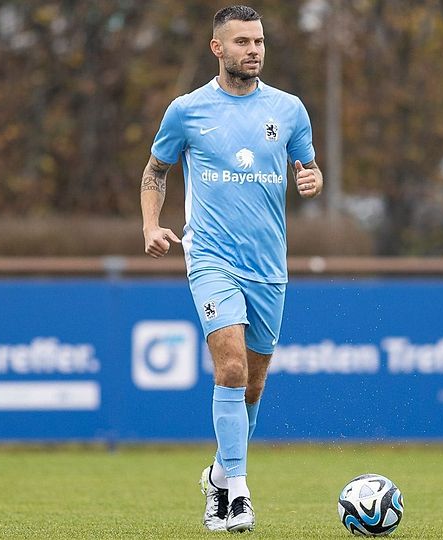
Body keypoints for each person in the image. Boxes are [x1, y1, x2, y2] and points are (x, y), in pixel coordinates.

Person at [139, 5, 322, 533]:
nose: (254, 50)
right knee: (232, 370)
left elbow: (308, 168)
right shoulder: (187, 110)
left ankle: (221, 474)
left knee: (253, 387)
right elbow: (156, 170)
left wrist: (312, 181)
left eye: (259, 41)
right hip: (211, 259)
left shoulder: (289, 109)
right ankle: (238, 494)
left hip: (269, 266)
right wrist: (151, 226)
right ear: (217, 48)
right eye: (242, 42)